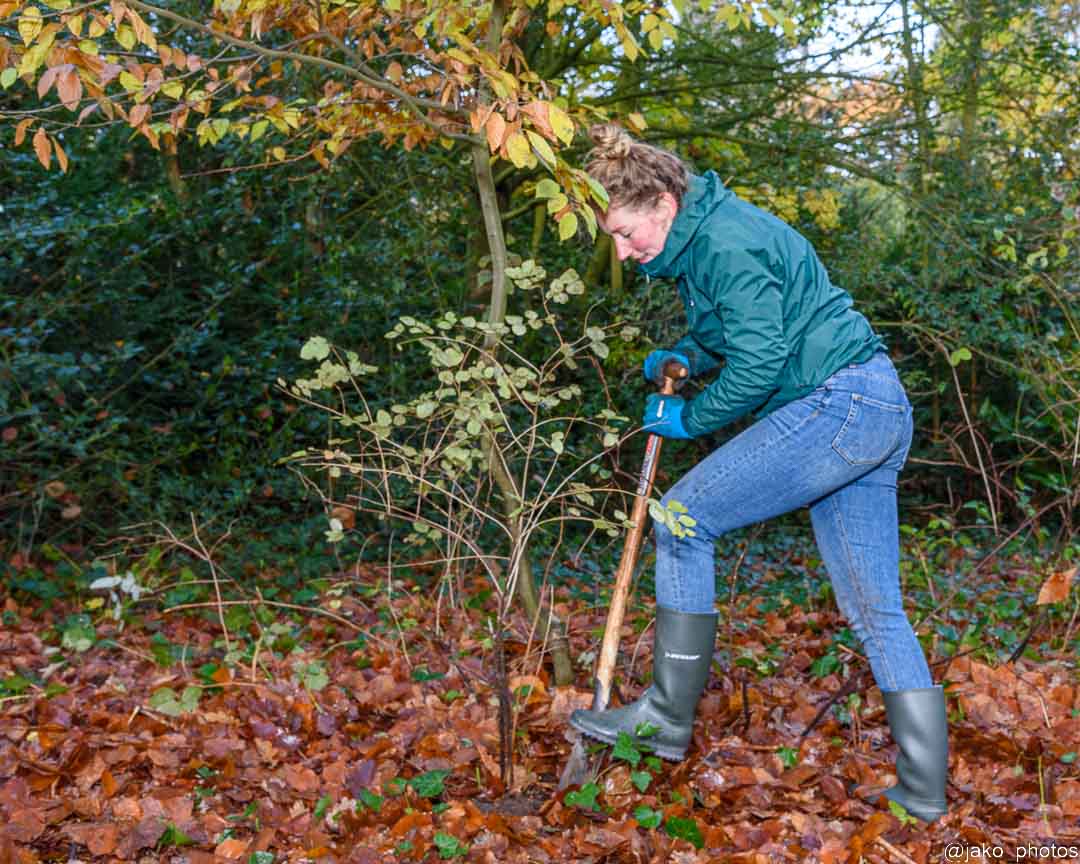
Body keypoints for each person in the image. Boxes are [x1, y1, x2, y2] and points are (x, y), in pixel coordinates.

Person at [568, 124, 948, 823]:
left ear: (661, 204)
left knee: (683, 516)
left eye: (626, 233)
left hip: (840, 404)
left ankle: (665, 717)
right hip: (875, 405)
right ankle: (923, 794)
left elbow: (761, 362)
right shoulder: (709, 239)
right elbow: (732, 331)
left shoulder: (722, 243)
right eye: (613, 241)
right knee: (874, 608)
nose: (623, 251)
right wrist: (682, 354)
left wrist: (691, 418)